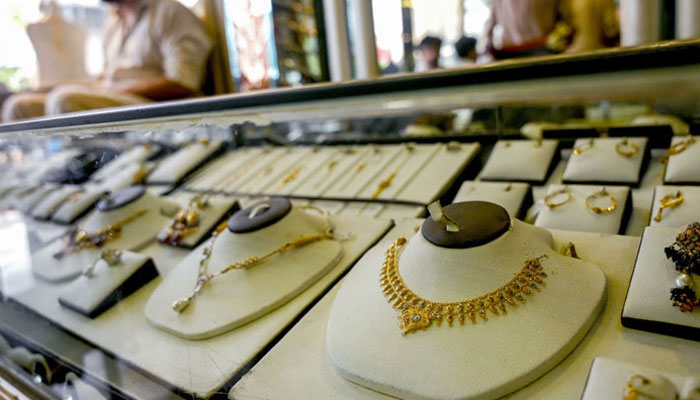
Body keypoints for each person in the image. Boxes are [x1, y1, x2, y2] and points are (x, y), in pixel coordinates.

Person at [2, 0, 212, 122]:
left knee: (65, 100)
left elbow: (183, 82)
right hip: (113, 99)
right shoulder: (113, 20)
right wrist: (46, 89)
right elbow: (104, 79)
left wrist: (109, 93)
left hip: (155, 106)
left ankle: (88, 168)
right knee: (18, 106)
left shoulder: (170, 12)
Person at [483, 0, 560, 60]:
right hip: (509, 54)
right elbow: (489, 25)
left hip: (543, 52)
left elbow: (568, 22)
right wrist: (487, 48)